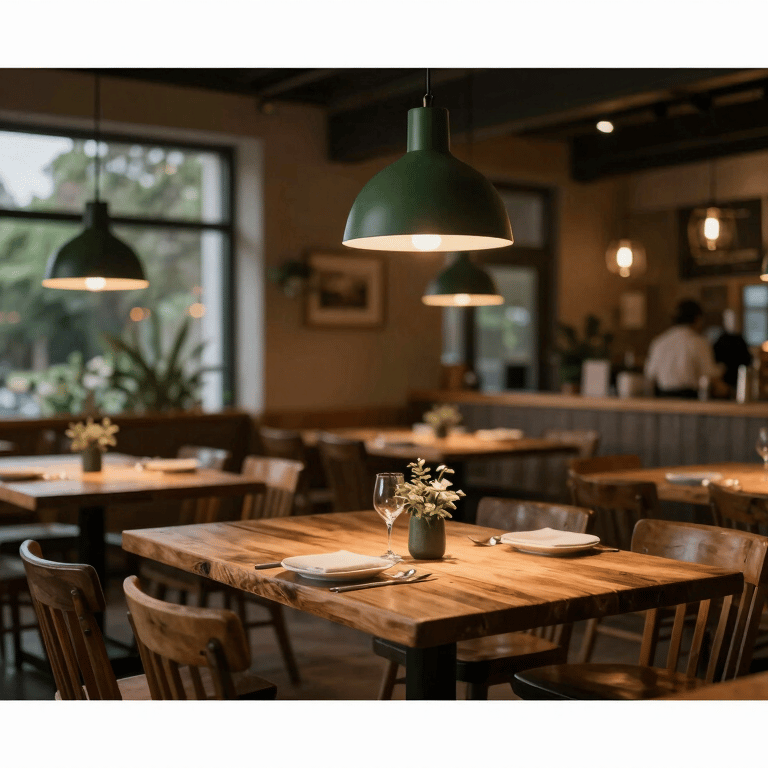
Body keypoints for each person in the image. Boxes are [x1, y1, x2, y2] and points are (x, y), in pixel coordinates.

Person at [644, 299, 728, 399]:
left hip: (663, 399)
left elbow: (650, 374)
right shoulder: (698, 342)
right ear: (698, 319)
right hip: (689, 398)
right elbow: (709, 375)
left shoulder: (659, 341)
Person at [713, 308, 752, 391]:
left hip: (739, 378)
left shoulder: (740, 340)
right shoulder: (720, 340)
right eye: (729, 319)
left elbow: (747, 359)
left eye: (734, 319)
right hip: (724, 380)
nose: (732, 322)